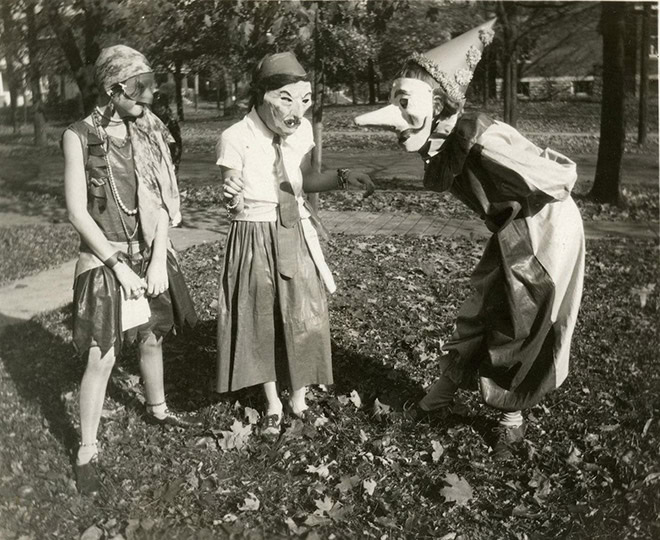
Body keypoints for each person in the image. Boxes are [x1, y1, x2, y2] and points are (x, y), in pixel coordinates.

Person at [355, 20, 585, 459]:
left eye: (406, 103)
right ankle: (439, 396)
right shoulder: (444, 141)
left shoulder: (482, 139)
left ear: (438, 102)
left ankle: (510, 422)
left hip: (545, 228)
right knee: (479, 306)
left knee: (520, 322)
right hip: (512, 228)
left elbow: (559, 177)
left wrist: (524, 218)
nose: (396, 118)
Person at [62, 45, 198, 495]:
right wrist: (118, 265)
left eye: (151, 86)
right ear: (112, 88)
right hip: (105, 259)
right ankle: (86, 449)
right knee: (102, 356)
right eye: (140, 88)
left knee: (152, 336)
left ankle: (157, 409)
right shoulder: (78, 136)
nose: (150, 96)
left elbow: (161, 202)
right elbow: (78, 213)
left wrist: (159, 257)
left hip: (148, 253)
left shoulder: (150, 130)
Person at [216, 52, 374, 438]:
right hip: (254, 232)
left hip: (294, 230)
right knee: (260, 317)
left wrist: (342, 177)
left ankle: (298, 396)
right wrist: (231, 193)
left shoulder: (301, 132)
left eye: (304, 100)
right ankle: (271, 401)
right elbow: (232, 198)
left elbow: (303, 180)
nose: (296, 110)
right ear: (262, 95)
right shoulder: (235, 137)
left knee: (306, 311)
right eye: (285, 98)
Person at [151, 88, 183, 173]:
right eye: (156, 106)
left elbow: (177, 143)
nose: (159, 109)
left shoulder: (171, 122)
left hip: (169, 155)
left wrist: (175, 162)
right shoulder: (150, 121)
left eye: (162, 106)